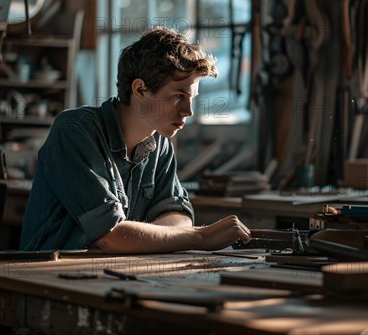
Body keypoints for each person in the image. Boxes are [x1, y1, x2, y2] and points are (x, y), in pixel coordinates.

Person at [20, 26, 252, 253]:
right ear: (140, 89)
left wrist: (138, 239)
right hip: (47, 278)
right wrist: (202, 237)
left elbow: (178, 216)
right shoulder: (74, 130)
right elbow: (110, 236)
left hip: (111, 274)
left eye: (191, 98)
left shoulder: (159, 143)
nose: (188, 111)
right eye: (178, 96)